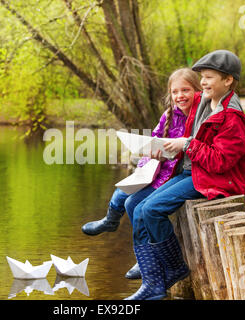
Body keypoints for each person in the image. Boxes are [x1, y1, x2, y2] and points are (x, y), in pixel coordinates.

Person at [125, 50, 245, 300]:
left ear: (228, 80)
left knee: (151, 210)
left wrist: (187, 145)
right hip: (194, 171)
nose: (203, 82)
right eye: (202, 77)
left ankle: (172, 269)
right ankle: (153, 280)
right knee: (138, 205)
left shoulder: (232, 118)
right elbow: (181, 110)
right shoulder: (206, 102)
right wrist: (162, 148)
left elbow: (221, 161)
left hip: (218, 180)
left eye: (209, 77)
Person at [81, 68, 203, 279]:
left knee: (132, 203)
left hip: (174, 173)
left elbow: (192, 151)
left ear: (197, 90)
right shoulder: (169, 115)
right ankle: (113, 222)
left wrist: (172, 154)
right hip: (158, 168)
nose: (180, 96)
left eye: (186, 90)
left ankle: (146, 258)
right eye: (175, 91)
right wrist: (150, 156)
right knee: (123, 192)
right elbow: (154, 138)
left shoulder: (198, 117)